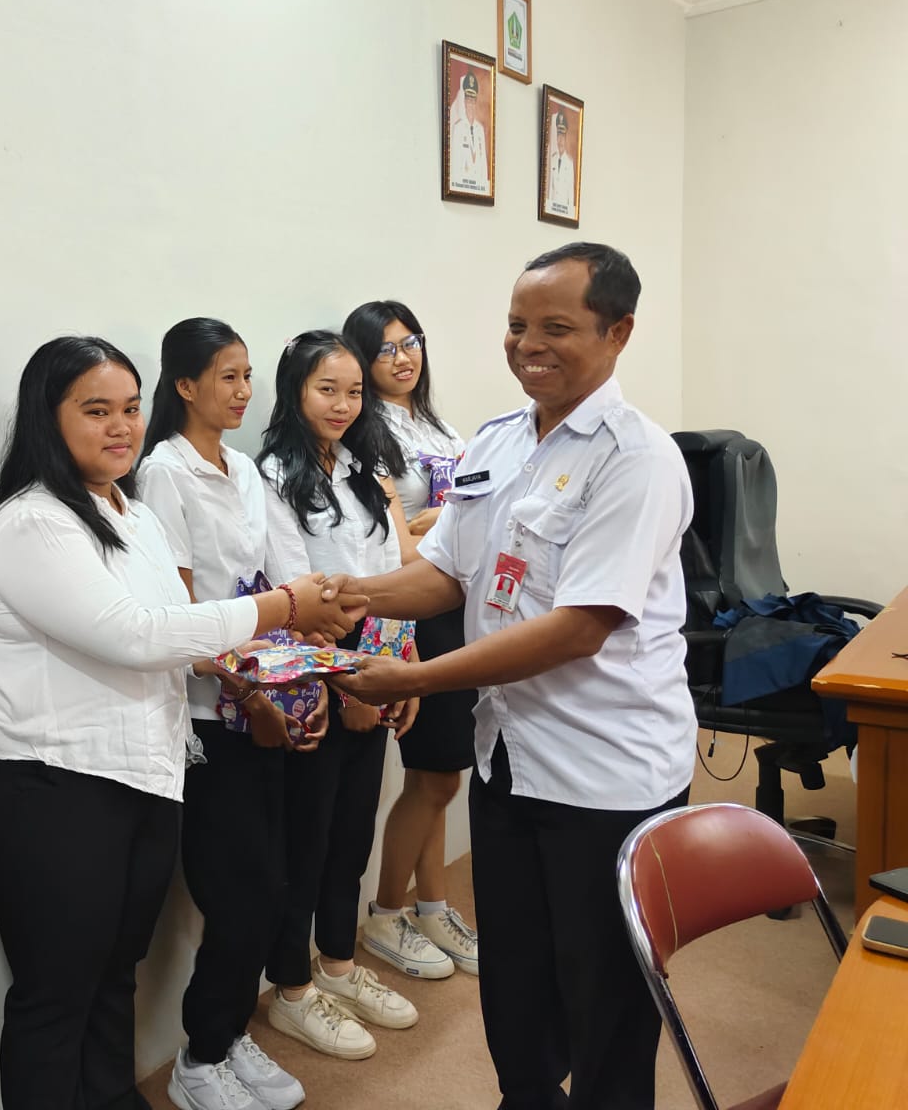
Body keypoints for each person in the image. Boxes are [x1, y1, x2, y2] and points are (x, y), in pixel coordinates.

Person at [326, 243, 697, 1110]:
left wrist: (415, 679)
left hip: (606, 773)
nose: (528, 345)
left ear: (618, 332)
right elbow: (447, 574)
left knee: (606, 998)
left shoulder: (636, 460)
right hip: (510, 760)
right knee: (518, 983)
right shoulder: (497, 441)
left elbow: (577, 629)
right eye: (516, 325)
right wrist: (348, 594)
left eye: (556, 327)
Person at [0, 335, 365, 1110]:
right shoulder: (31, 523)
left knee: (117, 976)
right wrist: (283, 607)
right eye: (96, 411)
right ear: (48, 418)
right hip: (54, 786)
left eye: (128, 408)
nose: (121, 426)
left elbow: (182, 628)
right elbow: (138, 635)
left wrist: (280, 664)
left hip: (147, 774)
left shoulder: (131, 513)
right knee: (56, 995)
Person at [139, 319, 321, 1110]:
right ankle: (199, 1058)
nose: (245, 391)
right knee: (238, 893)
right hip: (212, 715)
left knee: (272, 886)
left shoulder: (243, 468)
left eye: (248, 375)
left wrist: (303, 664)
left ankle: (230, 1032)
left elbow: (279, 583)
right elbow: (180, 614)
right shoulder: (163, 474)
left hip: (265, 700)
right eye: (227, 376)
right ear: (184, 386)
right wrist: (247, 690)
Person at [256, 330, 421, 1062]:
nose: (343, 405)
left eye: (354, 391)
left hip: (377, 672)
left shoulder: (363, 469)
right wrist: (349, 683)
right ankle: (293, 992)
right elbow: (300, 595)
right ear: (294, 390)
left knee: (353, 836)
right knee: (308, 843)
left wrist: (404, 665)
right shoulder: (271, 476)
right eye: (327, 389)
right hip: (317, 691)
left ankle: (340, 967)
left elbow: (391, 576)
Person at [342, 301, 478, 981]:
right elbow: (399, 547)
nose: (403, 358)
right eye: (386, 349)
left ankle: (432, 906)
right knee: (434, 772)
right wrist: (446, 524)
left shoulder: (439, 424)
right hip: (413, 610)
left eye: (412, 342)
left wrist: (441, 523)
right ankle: (387, 913)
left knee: (440, 775)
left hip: (456, 603)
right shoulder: (368, 433)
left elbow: (468, 517)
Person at [449, 70, 489, 192]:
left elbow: (483, 164)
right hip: (462, 187)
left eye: (473, 101)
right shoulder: (458, 129)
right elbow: (455, 164)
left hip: (479, 189)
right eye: (468, 100)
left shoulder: (480, 129)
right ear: (464, 102)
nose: (471, 104)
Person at [547, 112, 575, 214]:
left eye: (562, 137)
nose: (560, 141)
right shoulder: (552, 159)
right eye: (558, 136)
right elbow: (550, 188)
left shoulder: (570, 163)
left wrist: (570, 213)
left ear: (566, 139)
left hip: (564, 211)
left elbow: (570, 191)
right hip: (552, 209)